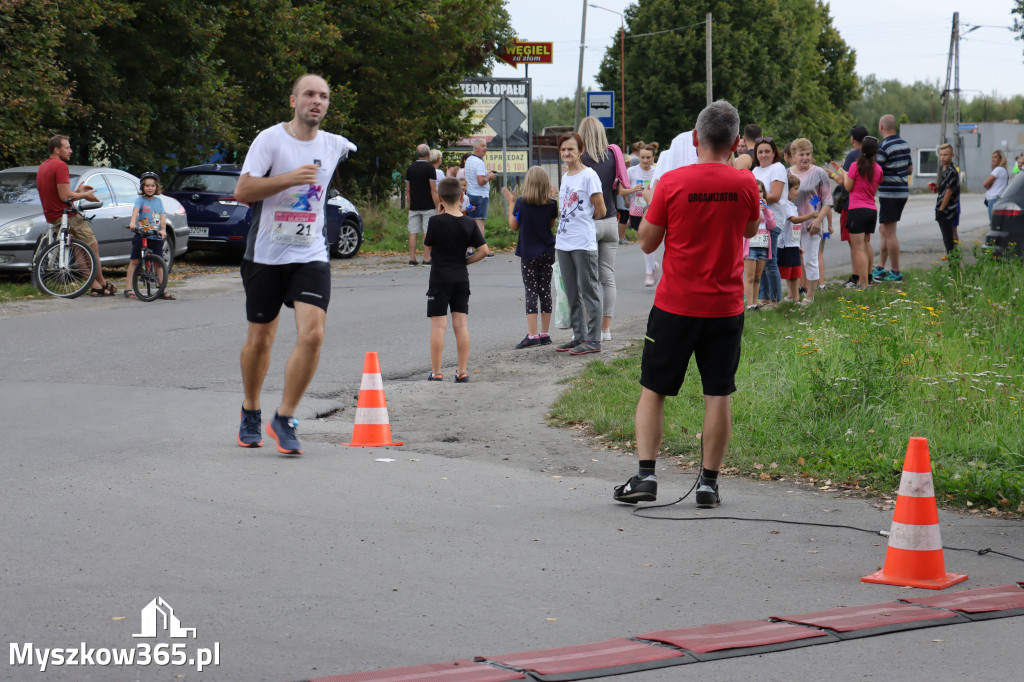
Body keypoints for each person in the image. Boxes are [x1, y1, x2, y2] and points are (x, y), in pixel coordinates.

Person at [613, 100, 759, 507]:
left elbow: (646, 241)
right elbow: (750, 228)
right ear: (734, 143)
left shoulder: (672, 182)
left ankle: (646, 476)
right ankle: (709, 484)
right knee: (718, 393)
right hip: (726, 306)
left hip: (675, 305)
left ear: (696, 138)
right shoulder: (745, 183)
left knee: (654, 390)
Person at [233, 73, 356, 454]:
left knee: (313, 334)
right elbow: (242, 191)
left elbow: (350, 150)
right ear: (293, 100)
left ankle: (284, 417)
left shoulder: (335, 144)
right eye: (309, 94)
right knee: (261, 338)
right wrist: (288, 179)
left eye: (323, 96)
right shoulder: (270, 139)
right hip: (266, 253)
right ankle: (251, 409)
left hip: (310, 253)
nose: (316, 101)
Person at [424, 177, 488, 382]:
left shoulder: (435, 221)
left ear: (440, 198)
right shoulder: (469, 223)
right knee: (460, 325)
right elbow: (484, 250)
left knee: (438, 326)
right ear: (462, 197)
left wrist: (439, 214)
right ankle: (462, 371)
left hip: (439, 278)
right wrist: (466, 262)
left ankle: (437, 371)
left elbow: (429, 245)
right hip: (461, 278)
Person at [35, 135, 115, 297]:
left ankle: (95, 285)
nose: (70, 151)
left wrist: (77, 192)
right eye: (67, 147)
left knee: (79, 249)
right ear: (57, 150)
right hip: (66, 215)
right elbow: (65, 197)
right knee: (92, 247)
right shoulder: (60, 166)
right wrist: (86, 196)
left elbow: (58, 194)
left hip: (52, 215)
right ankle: (102, 283)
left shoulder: (43, 166)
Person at [554, 132, 605, 355]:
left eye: (571, 149)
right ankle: (579, 335)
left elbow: (600, 210)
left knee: (589, 290)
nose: (566, 153)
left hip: (583, 242)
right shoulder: (566, 176)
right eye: (563, 149)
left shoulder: (589, 176)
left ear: (581, 151)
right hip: (563, 241)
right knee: (571, 292)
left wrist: (583, 222)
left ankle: (594, 339)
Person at [579, 116, 629, 342]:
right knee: (607, 277)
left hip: (588, 222)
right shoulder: (612, 156)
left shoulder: (581, 159)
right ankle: (605, 329)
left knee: (587, 279)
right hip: (610, 221)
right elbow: (617, 188)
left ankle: (590, 327)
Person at [502, 167, 558, 349]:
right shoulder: (551, 204)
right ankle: (545, 333)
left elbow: (513, 226)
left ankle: (532, 334)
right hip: (547, 251)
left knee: (531, 291)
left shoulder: (521, 203)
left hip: (528, 252)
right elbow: (550, 224)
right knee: (546, 290)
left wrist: (510, 203)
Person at [831, 136, 882, 290]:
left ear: (861, 149)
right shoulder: (878, 169)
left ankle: (863, 283)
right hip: (871, 210)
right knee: (866, 244)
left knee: (858, 248)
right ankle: (869, 279)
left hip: (856, 209)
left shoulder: (855, 165)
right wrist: (841, 170)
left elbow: (848, 186)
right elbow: (872, 188)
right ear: (875, 152)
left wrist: (838, 174)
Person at [787, 138, 832, 304]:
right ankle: (793, 295)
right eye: (801, 154)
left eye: (808, 154)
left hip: (812, 225)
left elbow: (828, 200)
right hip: (791, 226)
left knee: (810, 260)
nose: (805, 158)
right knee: (792, 261)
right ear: (793, 156)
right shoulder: (787, 173)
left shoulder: (819, 173)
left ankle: (810, 295)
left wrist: (819, 221)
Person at [874, 114, 912, 282]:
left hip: (889, 192)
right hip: (902, 190)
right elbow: (910, 169)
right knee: (884, 229)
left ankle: (895, 271)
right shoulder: (904, 144)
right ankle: (881, 267)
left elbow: (877, 172)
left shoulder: (883, 146)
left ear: (881, 127)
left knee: (890, 233)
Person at [126, 172, 173, 300]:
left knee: (158, 263)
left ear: (156, 187)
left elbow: (162, 217)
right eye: (147, 185)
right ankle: (128, 288)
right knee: (135, 261)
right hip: (142, 235)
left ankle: (162, 289)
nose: (150, 188)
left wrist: (163, 230)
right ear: (143, 187)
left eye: (152, 185)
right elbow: (135, 212)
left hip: (155, 236)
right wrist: (132, 223)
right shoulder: (140, 200)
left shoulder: (158, 202)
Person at [750, 137, 786, 306]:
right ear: (756, 154)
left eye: (767, 151)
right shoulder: (755, 170)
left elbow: (776, 195)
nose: (764, 155)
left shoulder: (777, 168)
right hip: (758, 222)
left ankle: (776, 300)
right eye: (760, 152)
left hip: (772, 221)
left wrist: (754, 199)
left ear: (774, 153)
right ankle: (763, 298)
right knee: (760, 262)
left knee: (770, 262)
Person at [621, 144, 658, 285]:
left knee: (649, 240)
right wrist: (632, 190)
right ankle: (652, 266)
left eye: (648, 157)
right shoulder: (631, 171)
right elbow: (621, 190)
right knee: (643, 243)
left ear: (653, 158)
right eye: (642, 157)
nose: (645, 160)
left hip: (652, 209)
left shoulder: (657, 171)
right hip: (636, 211)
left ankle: (649, 271)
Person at [777, 174, 818, 302]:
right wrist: (810, 215)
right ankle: (793, 297)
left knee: (795, 273)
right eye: (795, 189)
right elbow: (794, 220)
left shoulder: (792, 205)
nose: (798, 192)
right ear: (786, 190)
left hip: (792, 244)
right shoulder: (785, 205)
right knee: (790, 274)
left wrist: (796, 244)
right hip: (785, 245)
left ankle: (793, 297)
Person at [743, 181, 775, 310]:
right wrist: (756, 210)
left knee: (758, 277)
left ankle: (755, 302)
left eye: (761, 191)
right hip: (750, 247)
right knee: (750, 277)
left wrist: (766, 211)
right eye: (755, 192)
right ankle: (749, 304)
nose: (758, 194)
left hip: (763, 247)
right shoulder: (747, 209)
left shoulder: (767, 210)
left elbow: (771, 226)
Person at [405, 144, 438, 265]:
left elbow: (407, 190)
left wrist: (410, 206)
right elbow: (433, 189)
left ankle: (412, 259)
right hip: (428, 205)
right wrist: (437, 205)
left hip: (414, 206)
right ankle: (427, 258)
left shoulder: (410, 168)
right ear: (428, 154)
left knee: (413, 232)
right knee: (427, 232)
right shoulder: (430, 168)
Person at [465, 139, 497, 251]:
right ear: (476, 148)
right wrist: (489, 177)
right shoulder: (479, 162)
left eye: (486, 146)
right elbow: (480, 181)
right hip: (480, 196)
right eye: (483, 146)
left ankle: (468, 249)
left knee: (469, 223)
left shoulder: (469, 160)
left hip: (470, 193)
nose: (485, 148)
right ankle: (482, 249)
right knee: (479, 223)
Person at [932, 143, 960, 255]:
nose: (943, 157)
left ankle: (954, 267)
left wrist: (941, 209)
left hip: (947, 211)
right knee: (947, 239)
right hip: (945, 210)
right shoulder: (946, 170)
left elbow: (949, 192)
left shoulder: (951, 171)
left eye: (946, 155)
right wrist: (937, 187)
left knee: (948, 240)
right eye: (941, 155)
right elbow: (945, 190)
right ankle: (953, 264)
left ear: (952, 155)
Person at [983, 150, 1009, 225]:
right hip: (999, 198)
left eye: (995, 157)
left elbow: (985, 184)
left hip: (994, 198)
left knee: (993, 223)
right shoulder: (1004, 170)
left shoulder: (998, 170)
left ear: (1001, 159)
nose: (993, 159)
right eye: (992, 157)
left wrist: (988, 186)